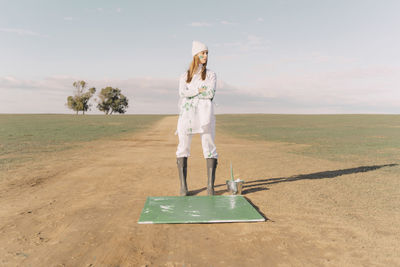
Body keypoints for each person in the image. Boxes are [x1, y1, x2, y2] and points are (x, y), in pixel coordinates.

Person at [175, 40, 218, 196]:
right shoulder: (185, 76)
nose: (206, 56)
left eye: (207, 53)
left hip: (205, 115)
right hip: (187, 115)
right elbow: (181, 93)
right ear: (196, 55)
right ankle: (183, 187)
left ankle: (210, 187)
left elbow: (210, 93)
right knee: (183, 147)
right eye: (203, 53)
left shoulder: (211, 75)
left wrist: (192, 92)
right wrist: (198, 90)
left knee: (209, 146)